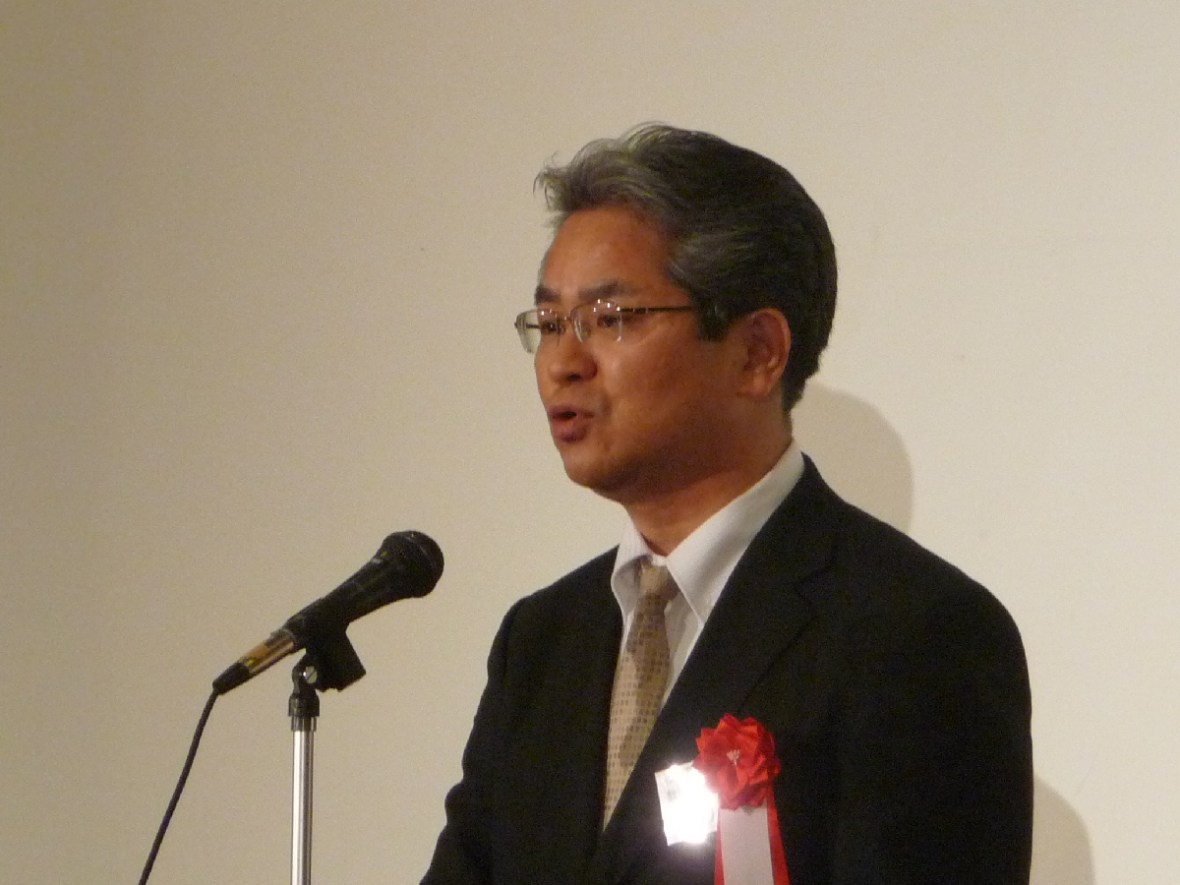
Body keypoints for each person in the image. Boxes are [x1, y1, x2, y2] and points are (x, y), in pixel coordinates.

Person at [422, 124, 1032, 884]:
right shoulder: (542, 644)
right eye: (549, 324)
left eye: (611, 319)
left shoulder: (916, 634)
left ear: (757, 353)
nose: (563, 363)